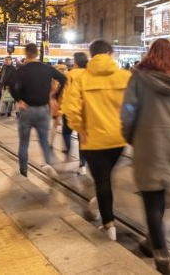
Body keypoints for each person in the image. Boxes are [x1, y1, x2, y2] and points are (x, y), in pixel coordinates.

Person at [121, 38, 170, 274]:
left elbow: (129, 111)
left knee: (151, 200)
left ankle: (162, 254)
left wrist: (129, 135)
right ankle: (152, 241)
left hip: (148, 142)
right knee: (160, 196)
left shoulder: (138, 78)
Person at [65, 42, 130, 241]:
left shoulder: (82, 78)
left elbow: (71, 107)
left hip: (92, 139)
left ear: (91, 55)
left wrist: (80, 128)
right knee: (106, 178)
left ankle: (109, 225)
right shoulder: (125, 76)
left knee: (102, 180)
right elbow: (134, 105)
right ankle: (99, 205)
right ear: (110, 53)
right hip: (119, 138)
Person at [9, 43, 66, 177]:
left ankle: (23, 169)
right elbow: (64, 79)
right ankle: (50, 165)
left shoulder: (21, 70)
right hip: (43, 109)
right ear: (37, 53)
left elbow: (11, 84)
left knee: (24, 142)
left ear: (26, 53)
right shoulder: (47, 69)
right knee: (44, 141)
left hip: (26, 109)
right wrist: (54, 95)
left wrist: (19, 100)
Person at [60, 52, 91, 175]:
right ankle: (82, 164)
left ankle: (68, 151)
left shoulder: (71, 74)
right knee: (81, 137)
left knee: (66, 132)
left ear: (76, 62)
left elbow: (66, 93)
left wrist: (61, 109)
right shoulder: (89, 74)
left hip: (71, 109)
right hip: (85, 111)